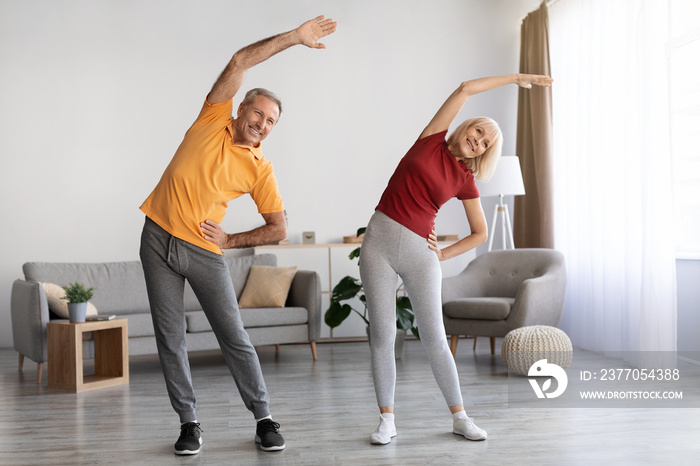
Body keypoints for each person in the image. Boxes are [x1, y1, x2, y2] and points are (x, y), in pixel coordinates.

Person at [138, 15, 337, 455]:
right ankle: (189, 423)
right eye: (259, 114)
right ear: (242, 107)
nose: (263, 124)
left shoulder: (260, 168)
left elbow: (279, 228)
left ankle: (264, 418)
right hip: (155, 237)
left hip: (205, 251)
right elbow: (240, 59)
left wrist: (230, 241)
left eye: (271, 122)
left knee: (234, 337)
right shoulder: (212, 118)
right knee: (169, 337)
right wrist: (294, 38)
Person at [359, 73, 553, 445]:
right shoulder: (431, 139)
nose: (477, 141)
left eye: (484, 143)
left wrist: (444, 253)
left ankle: (460, 417)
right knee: (382, 335)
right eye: (477, 131)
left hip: (420, 253)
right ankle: (387, 420)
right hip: (378, 245)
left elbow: (480, 233)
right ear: (467, 126)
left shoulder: (466, 179)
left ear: (483, 153)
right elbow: (465, 88)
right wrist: (516, 78)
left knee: (433, 336)